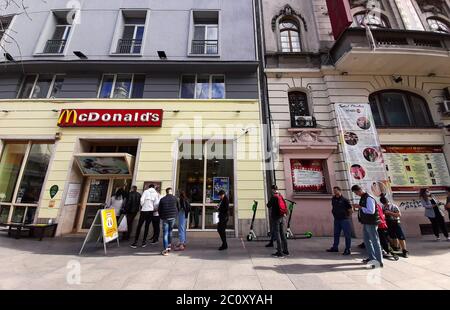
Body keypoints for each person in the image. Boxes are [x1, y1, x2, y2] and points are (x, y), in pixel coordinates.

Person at [351, 185, 383, 268]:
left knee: (375, 241)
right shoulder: (363, 197)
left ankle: (379, 261)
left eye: (356, 192)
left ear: (360, 190)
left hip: (371, 222)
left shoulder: (369, 198)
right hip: (366, 222)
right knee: (366, 240)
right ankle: (372, 258)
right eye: (355, 193)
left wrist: (360, 207)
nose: (356, 194)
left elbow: (371, 211)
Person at [130, 184, 160, 248]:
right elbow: (156, 203)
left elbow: (141, 200)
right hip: (151, 211)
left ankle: (135, 242)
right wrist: (153, 207)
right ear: (153, 187)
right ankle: (143, 242)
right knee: (147, 226)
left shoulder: (146, 191)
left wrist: (143, 205)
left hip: (144, 210)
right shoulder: (155, 193)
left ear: (149, 187)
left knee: (139, 225)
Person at [326, 186, 352, 255]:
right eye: (334, 191)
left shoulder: (345, 200)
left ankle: (348, 249)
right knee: (336, 234)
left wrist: (347, 216)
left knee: (347, 235)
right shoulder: (333, 199)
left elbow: (350, 210)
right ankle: (335, 247)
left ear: (339, 191)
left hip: (344, 220)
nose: (334, 192)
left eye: (335, 190)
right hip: (336, 219)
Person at [267, 185, 289, 258]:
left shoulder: (274, 197)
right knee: (282, 233)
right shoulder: (280, 195)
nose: (271, 191)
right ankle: (286, 250)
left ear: (273, 190)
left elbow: (268, 205)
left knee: (277, 234)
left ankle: (279, 252)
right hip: (282, 216)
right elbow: (285, 205)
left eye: (271, 190)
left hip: (276, 217)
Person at [158, 187, 179, 256]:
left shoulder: (162, 199)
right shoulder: (175, 198)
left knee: (165, 233)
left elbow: (159, 210)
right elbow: (178, 207)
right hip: (172, 217)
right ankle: (169, 246)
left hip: (165, 218)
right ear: (171, 192)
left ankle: (165, 249)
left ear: (166, 192)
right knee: (170, 231)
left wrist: (161, 217)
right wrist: (175, 215)